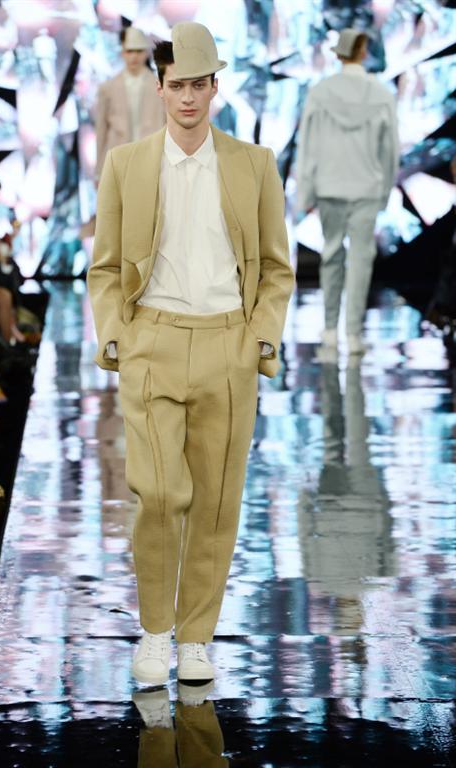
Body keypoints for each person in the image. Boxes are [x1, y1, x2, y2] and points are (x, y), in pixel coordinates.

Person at [88, 22, 294, 685]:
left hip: (227, 345)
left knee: (216, 503)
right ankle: (155, 631)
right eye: (177, 85)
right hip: (151, 340)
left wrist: (259, 338)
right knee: (156, 494)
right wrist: (116, 335)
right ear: (159, 87)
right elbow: (106, 267)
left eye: (198, 85)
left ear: (214, 88)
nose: (187, 98)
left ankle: (195, 638)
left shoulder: (253, 165)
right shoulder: (126, 165)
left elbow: (276, 266)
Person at [296, 28, 399, 355]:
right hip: (367, 186)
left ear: (338, 54)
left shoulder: (320, 93)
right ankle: (353, 333)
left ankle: (330, 330)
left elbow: (308, 145)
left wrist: (305, 192)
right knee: (360, 259)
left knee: (331, 255)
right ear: (364, 52)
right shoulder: (381, 94)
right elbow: (390, 149)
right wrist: (386, 189)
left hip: (330, 185)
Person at [95, 26, 165, 179]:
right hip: (118, 160)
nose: (134, 56)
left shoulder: (162, 86)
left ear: (146, 52)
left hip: (153, 160)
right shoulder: (108, 88)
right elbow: (101, 130)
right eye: (129, 51)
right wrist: (99, 171)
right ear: (122, 52)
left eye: (139, 51)